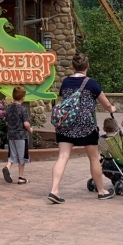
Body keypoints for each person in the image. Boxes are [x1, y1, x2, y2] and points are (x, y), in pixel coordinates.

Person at [47, 53, 116, 204]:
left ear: (72, 66)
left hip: (66, 124)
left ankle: (54, 190)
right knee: (93, 158)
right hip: (86, 126)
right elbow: (105, 104)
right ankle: (101, 190)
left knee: (63, 157)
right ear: (87, 66)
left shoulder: (65, 82)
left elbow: (63, 101)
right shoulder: (92, 84)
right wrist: (112, 108)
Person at [2, 86, 31, 185]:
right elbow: (26, 124)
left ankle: (7, 167)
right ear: (23, 98)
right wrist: (30, 129)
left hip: (11, 136)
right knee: (21, 157)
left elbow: (6, 122)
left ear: (13, 96)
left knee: (12, 155)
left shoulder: (9, 109)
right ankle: (21, 178)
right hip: (21, 136)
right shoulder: (23, 109)